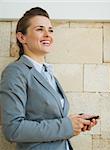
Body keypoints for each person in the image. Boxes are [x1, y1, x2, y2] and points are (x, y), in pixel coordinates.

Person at [0, 7, 98, 150]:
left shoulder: (46, 72)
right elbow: (13, 129)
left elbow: (49, 119)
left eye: (50, 30)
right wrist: (67, 125)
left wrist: (76, 122)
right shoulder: (15, 72)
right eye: (40, 29)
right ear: (22, 37)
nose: (48, 35)